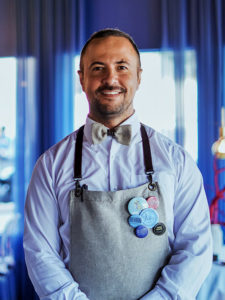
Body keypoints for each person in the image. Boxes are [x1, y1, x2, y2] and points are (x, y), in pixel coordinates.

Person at [24, 28, 212, 300]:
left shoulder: (177, 161)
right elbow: (40, 252)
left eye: (122, 67)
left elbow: (195, 249)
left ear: (138, 76)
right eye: (98, 68)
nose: (110, 78)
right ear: (82, 78)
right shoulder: (50, 164)